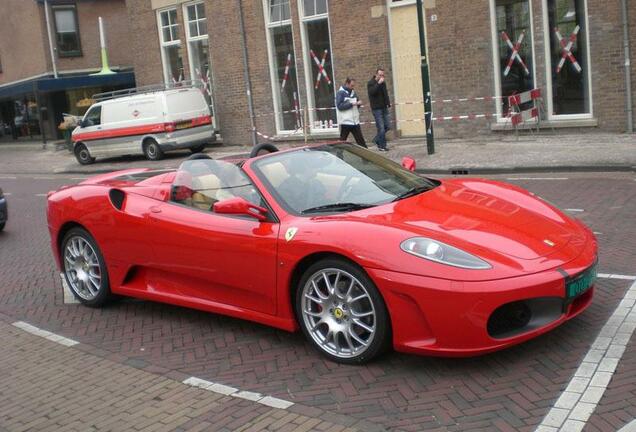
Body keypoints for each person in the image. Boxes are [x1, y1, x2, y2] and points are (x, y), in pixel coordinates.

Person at [336, 78, 367, 148]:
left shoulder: (353, 92)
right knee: (342, 142)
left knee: (361, 142)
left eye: (354, 86)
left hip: (355, 122)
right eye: (351, 85)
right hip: (346, 122)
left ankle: (367, 157)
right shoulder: (340, 93)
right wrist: (352, 104)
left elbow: (357, 105)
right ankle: (338, 156)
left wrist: (359, 104)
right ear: (347, 84)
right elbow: (339, 106)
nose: (353, 87)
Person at [367, 68, 391, 151]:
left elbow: (385, 93)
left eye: (383, 75)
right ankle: (382, 146)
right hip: (376, 109)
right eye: (380, 75)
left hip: (384, 107)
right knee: (381, 128)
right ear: (376, 74)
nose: (381, 77)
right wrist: (378, 83)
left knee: (387, 126)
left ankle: (377, 139)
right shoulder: (370, 83)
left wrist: (388, 103)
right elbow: (372, 92)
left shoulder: (383, 83)